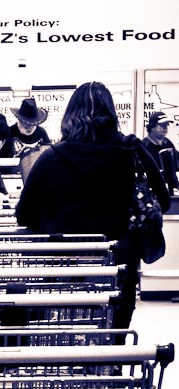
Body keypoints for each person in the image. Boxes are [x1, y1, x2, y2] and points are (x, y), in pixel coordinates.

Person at [15, 81, 170, 329]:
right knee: (113, 333)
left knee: (63, 334)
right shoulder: (131, 148)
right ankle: (113, 366)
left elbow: (24, 215)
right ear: (111, 113)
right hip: (118, 262)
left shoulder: (52, 156)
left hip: (64, 266)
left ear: (69, 116)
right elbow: (162, 199)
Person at [142, 111, 178, 194]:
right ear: (152, 127)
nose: (165, 128)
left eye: (166, 125)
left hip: (171, 191)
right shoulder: (144, 146)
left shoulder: (168, 143)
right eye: (162, 125)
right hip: (152, 192)